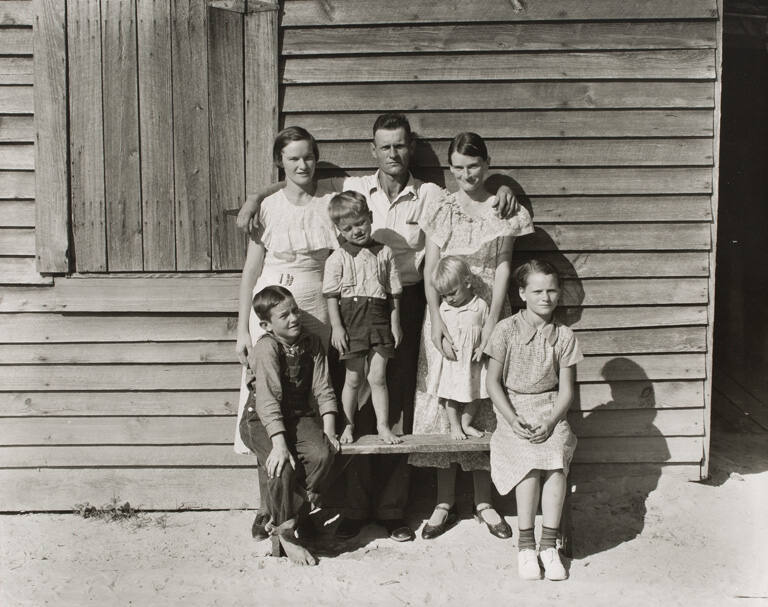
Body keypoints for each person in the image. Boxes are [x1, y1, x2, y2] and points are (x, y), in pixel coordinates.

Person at [237, 114, 519, 542]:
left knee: (397, 408)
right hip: (349, 310)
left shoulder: (430, 194)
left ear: (410, 149)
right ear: (373, 150)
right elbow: (296, 183)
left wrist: (505, 188)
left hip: (402, 305)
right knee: (354, 402)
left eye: (401, 145)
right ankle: (351, 508)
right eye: (385, 146)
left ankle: (391, 510)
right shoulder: (353, 188)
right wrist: (257, 195)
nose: (393, 153)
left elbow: (474, 195)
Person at [410, 132, 534, 541]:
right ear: (450, 169)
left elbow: (502, 267)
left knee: (483, 403)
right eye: (458, 167)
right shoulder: (442, 208)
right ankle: (443, 501)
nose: (467, 174)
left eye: (474, 166)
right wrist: (436, 321)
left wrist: (494, 322)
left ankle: (485, 502)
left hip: (487, 316)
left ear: (487, 164)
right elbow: (430, 271)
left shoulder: (502, 207)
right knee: (446, 398)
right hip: (446, 317)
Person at [234, 126, 338, 456]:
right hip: (270, 307)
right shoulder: (267, 208)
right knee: (268, 386)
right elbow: (251, 271)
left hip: (316, 305)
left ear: (316, 159)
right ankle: (272, 488)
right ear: (281, 161)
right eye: (293, 158)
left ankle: (312, 483)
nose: (301, 165)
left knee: (312, 384)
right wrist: (241, 329)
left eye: (308, 157)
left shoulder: (330, 204)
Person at [485, 260, 582, 581]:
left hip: (550, 410)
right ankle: (526, 546)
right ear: (522, 293)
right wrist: (512, 419)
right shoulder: (506, 330)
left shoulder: (565, 336)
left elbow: (566, 392)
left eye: (552, 290)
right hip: (513, 409)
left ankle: (548, 546)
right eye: (538, 290)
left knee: (555, 462)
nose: (546, 297)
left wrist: (553, 422)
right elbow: (492, 383)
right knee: (528, 462)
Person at [239, 286, 340, 566]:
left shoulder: (312, 344)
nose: (294, 318)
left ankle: (288, 518)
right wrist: (280, 445)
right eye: (284, 315)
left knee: (322, 455)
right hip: (260, 419)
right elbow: (268, 398)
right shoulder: (266, 347)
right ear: (266, 324)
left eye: (295, 310)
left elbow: (323, 388)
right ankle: (287, 533)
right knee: (282, 466)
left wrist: (329, 432)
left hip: (297, 415)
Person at [322, 191, 404, 445]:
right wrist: (336, 327)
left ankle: (382, 426)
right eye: (347, 228)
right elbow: (331, 296)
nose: (356, 231)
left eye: (360, 223)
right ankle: (348, 426)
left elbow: (393, 292)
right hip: (352, 321)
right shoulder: (338, 257)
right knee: (353, 378)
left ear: (370, 217)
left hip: (379, 319)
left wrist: (395, 323)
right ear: (338, 230)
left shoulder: (385, 252)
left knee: (378, 377)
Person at [430, 256, 488, 440]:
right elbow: (440, 334)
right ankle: (455, 426)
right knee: (451, 396)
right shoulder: (444, 309)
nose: (449, 299)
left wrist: (483, 348)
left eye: (452, 293)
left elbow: (488, 329)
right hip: (453, 362)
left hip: (473, 362)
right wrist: (445, 345)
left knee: (476, 394)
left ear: (468, 283)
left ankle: (466, 424)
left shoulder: (480, 306)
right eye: (444, 295)